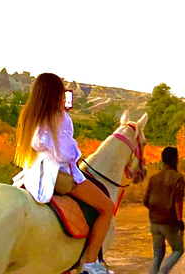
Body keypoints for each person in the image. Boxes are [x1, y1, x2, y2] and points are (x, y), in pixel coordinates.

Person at [13, 73, 115, 274]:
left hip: (33, 171)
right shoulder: (57, 117)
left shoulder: (29, 114)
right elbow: (65, 153)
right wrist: (77, 151)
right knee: (107, 207)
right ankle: (90, 263)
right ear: (56, 94)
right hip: (58, 173)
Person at [144, 147, 185, 274]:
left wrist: (156, 212)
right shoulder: (178, 177)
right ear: (175, 159)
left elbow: (146, 201)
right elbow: (178, 200)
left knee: (157, 255)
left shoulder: (154, 177)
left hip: (154, 223)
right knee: (178, 250)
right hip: (170, 222)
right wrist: (180, 220)